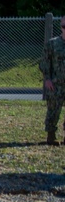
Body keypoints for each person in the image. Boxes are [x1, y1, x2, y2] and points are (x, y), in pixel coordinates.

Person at [40, 17, 65, 146]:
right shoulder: (53, 43)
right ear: (61, 26)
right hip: (56, 84)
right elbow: (45, 62)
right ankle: (51, 136)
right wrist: (47, 79)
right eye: (64, 26)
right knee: (53, 110)